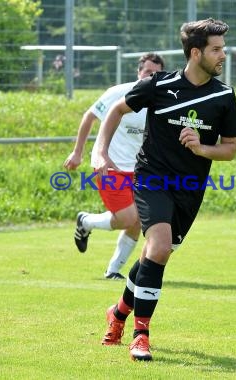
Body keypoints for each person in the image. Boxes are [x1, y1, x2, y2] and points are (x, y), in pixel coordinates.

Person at [92, 18, 236, 361]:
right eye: (216, 50)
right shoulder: (160, 85)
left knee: (153, 256)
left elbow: (230, 148)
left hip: (189, 189)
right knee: (157, 248)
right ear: (195, 52)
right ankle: (140, 336)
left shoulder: (224, 96)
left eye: (223, 49)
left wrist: (202, 149)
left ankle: (117, 314)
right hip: (151, 179)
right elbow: (116, 110)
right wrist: (100, 151)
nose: (223, 56)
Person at [65, 53, 165, 280]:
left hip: (139, 170)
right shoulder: (119, 93)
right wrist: (78, 152)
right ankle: (86, 221)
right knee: (128, 219)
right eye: (148, 72)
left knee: (139, 221)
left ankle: (113, 271)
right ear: (139, 72)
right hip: (109, 166)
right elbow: (89, 116)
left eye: (156, 74)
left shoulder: (159, 100)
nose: (151, 77)